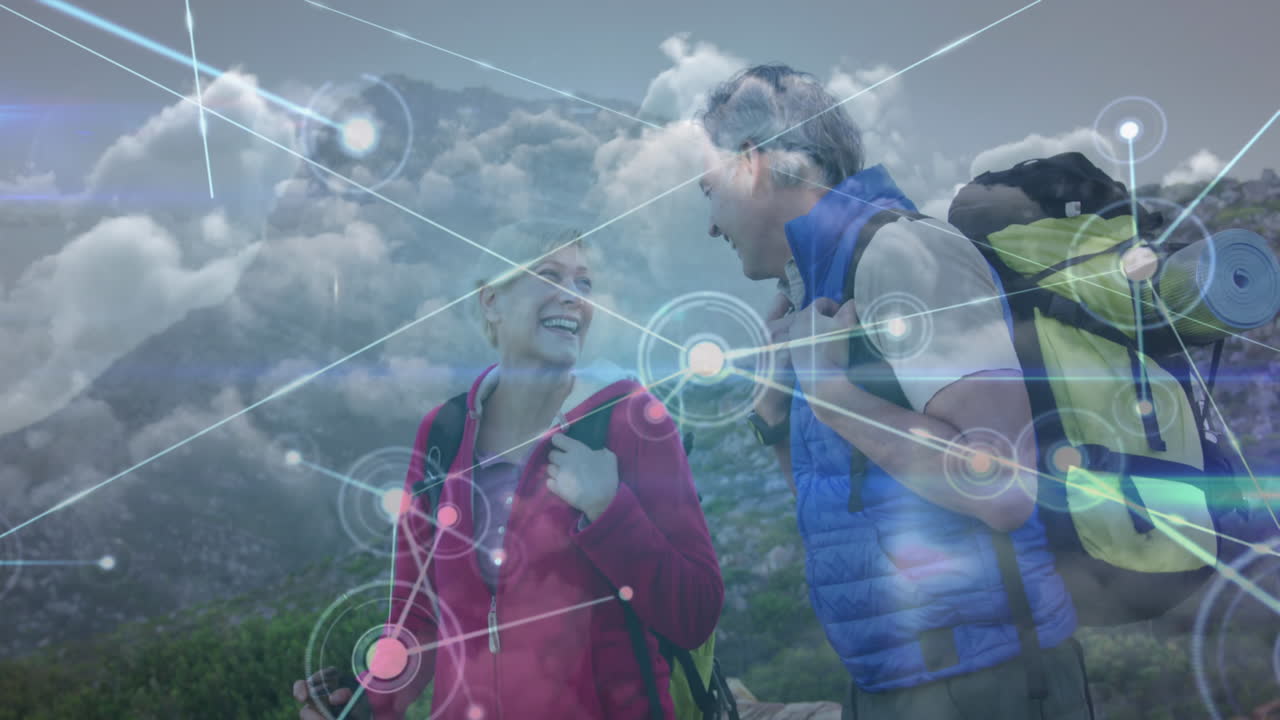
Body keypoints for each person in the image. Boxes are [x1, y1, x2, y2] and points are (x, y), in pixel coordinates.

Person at [695, 65, 1092, 719]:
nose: (710, 225)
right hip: (898, 684)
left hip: (989, 681)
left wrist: (833, 396)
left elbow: (1006, 491)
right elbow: (852, 505)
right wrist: (776, 412)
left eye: (708, 191)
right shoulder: (820, 294)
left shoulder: (901, 256)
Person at [291, 226, 724, 720]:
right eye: (549, 275)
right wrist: (362, 706)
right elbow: (418, 618)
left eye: (584, 283)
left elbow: (695, 612)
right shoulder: (442, 435)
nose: (574, 297)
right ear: (492, 301)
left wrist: (609, 509)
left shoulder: (630, 422)